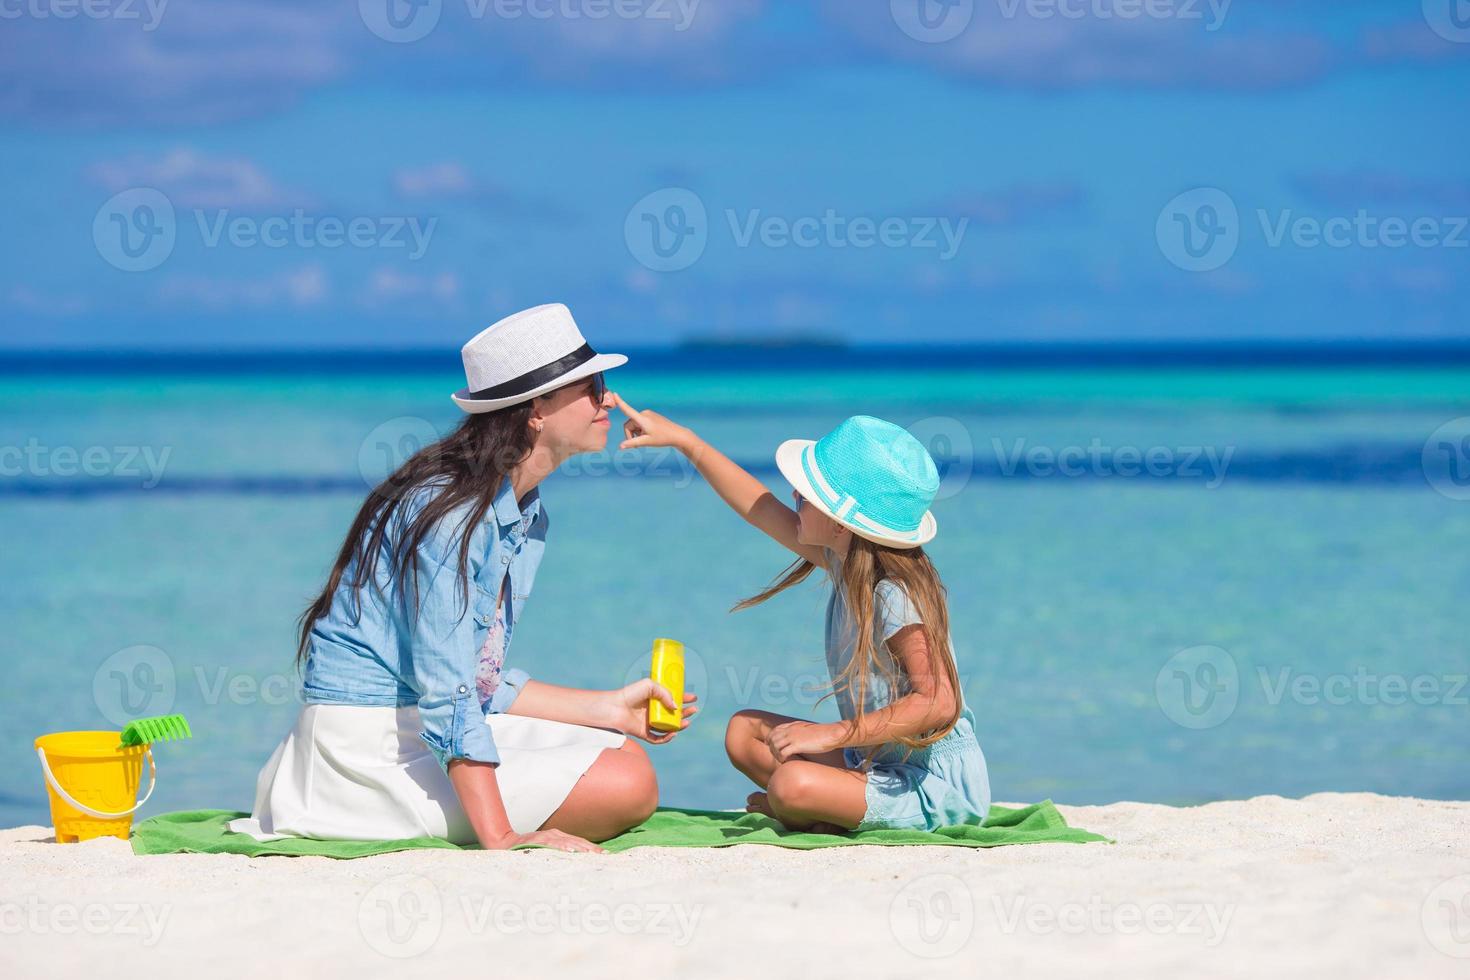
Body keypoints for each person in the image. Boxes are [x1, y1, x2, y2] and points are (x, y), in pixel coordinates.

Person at [230, 304, 696, 854]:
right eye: (590, 385)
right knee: (627, 784)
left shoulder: (521, 511)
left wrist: (609, 707)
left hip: (417, 728)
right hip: (367, 751)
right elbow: (448, 691)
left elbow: (475, 677)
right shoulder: (452, 516)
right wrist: (502, 837)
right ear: (536, 411)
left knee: (622, 751)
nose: (608, 399)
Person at [614, 398, 989, 833]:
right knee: (744, 733)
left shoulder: (894, 594)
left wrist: (833, 734)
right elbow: (759, 507)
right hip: (876, 758)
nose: (794, 496)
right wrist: (688, 443)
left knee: (790, 784)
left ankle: (812, 809)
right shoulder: (846, 563)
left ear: (841, 524)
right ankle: (824, 805)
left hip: (930, 784)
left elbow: (940, 701)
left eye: (807, 495)